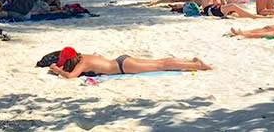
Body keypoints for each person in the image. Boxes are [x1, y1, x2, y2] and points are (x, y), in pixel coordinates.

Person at [48, 47, 210, 79]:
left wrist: (57, 70)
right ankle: (192, 62)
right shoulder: (85, 57)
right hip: (121, 60)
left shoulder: (81, 65)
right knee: (160, 62)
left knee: (162, 64)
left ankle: (197, 66)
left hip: (122, 67)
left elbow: (70, 76)